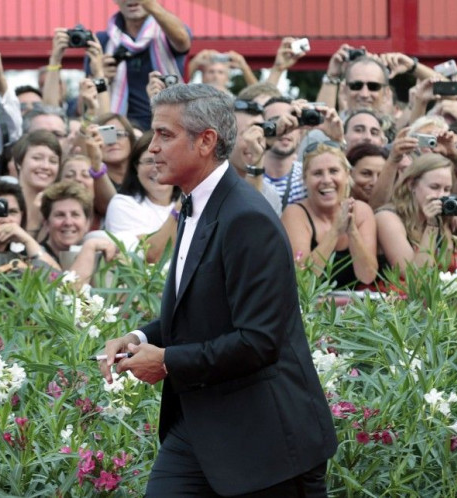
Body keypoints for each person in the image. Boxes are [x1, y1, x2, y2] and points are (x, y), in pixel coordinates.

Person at [99, 84, 337, 496]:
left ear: (206, 140)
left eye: (164, 135)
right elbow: (202, 311)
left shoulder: (247, 218)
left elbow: (259, 341)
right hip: (201, 427)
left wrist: (168, 361)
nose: (151, 147)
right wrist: (141, 339)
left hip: (267, 445)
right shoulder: (194, 206)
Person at [281, 142, 378, 289]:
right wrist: (335, 231)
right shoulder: (295, 214)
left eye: (333, 171)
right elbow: (302, 280)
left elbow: (367, 276)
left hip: (354, 306)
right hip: (309, 306)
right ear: (305, 180)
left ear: (347, 176)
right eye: (317, 173)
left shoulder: (361, 211)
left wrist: (352, 231)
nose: (326, 180)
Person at [96, 0, 191, 130]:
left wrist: (151, 5)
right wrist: (100, 78)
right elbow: (86, 101)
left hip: (167, 126)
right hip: (120, 134)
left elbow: (182, 40)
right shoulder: (102, 41)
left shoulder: (168, 32)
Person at [375, 153, 457, 276]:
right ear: (411, 184)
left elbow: (451, 270)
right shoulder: (387, 218)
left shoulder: (445, 219)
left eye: (447, 189)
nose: (441, 196)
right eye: (434, 187)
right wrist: (432, 225)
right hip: (396, 293)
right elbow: (413, 276)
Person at [105, 131, 181, 262]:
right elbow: (151, 255)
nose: (157, 168)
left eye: (165, 160)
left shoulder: (198, 203)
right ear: (136, 168)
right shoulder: (122, 204)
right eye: (149, 161)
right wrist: (180, 209)